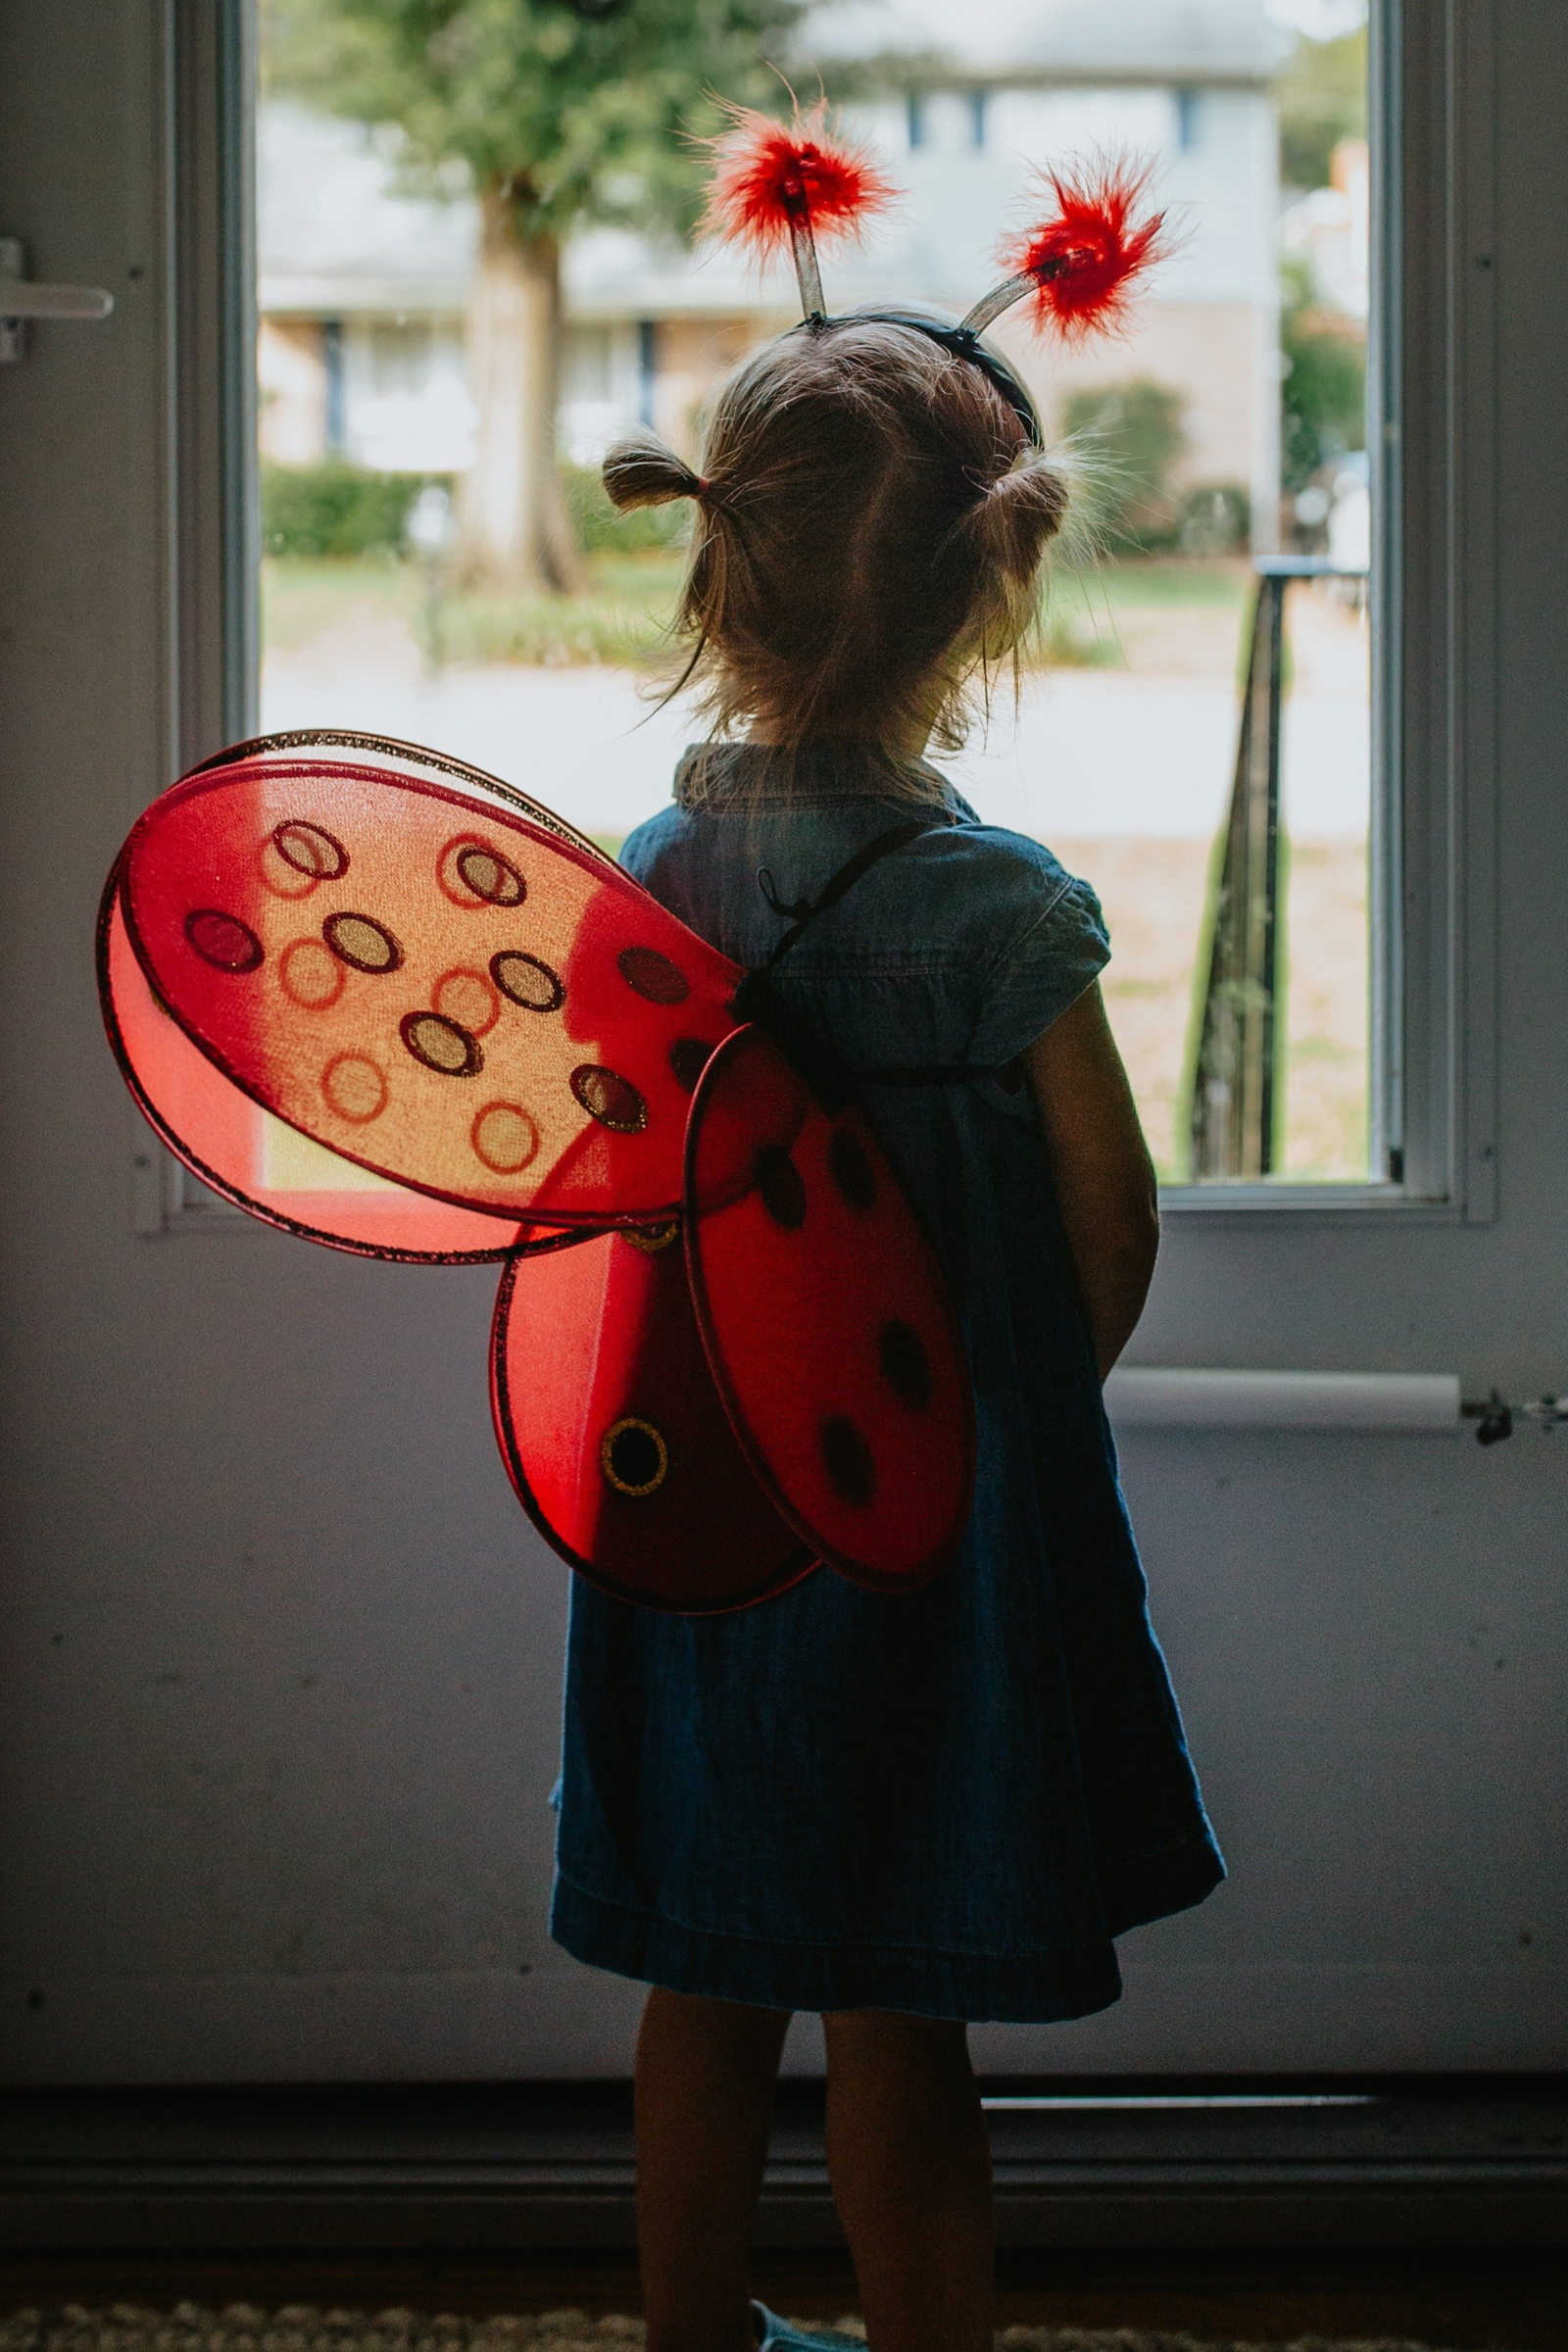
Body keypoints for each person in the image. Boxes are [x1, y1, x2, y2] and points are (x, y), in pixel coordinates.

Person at [549, 316, 1225, 2352]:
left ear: (709, 570)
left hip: (701, 1516)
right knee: (893, 1992)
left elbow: (597, 1196)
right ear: (990, 590)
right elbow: (1108, 1216)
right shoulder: (1000, 909)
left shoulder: (649, 885)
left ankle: (695, 2334)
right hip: (927, 1536)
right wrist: (994, 1421)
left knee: (706, 1967)